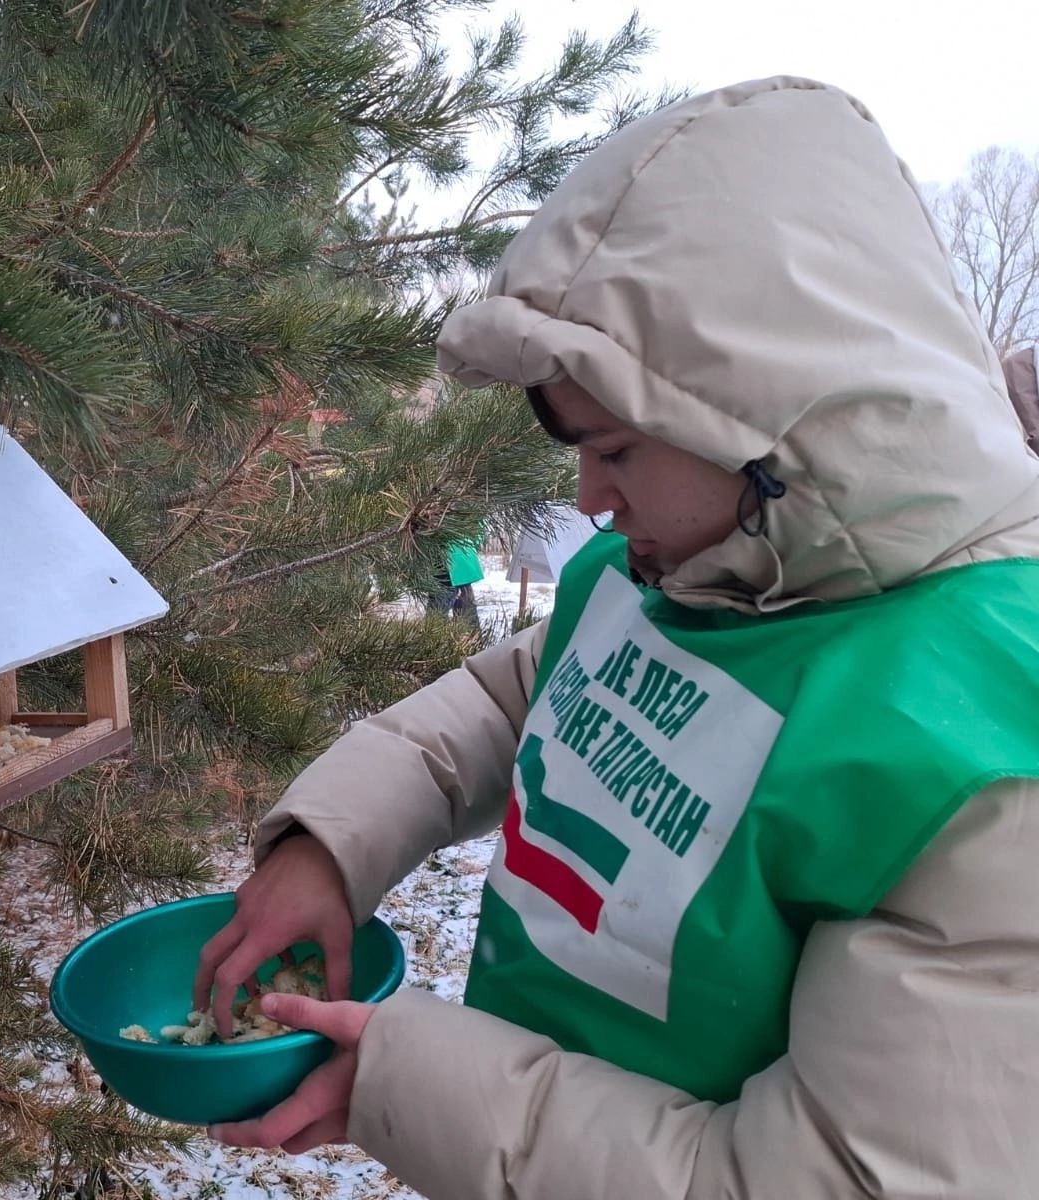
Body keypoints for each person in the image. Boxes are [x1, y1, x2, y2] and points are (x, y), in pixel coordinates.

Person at [194, 76, 1039, 1198]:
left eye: (618, 449)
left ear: (775, 432)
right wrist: (327, 845)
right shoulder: (677, 570)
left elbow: (831, 1181)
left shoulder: (983, 760)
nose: (586, 498)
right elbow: (506, 707)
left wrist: (408, 1081)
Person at [424, 532, 486, 632]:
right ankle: (472, 643)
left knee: (436, 622)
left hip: (449, 562)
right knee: (467, 620)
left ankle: (435, 643)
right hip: (460, 557)